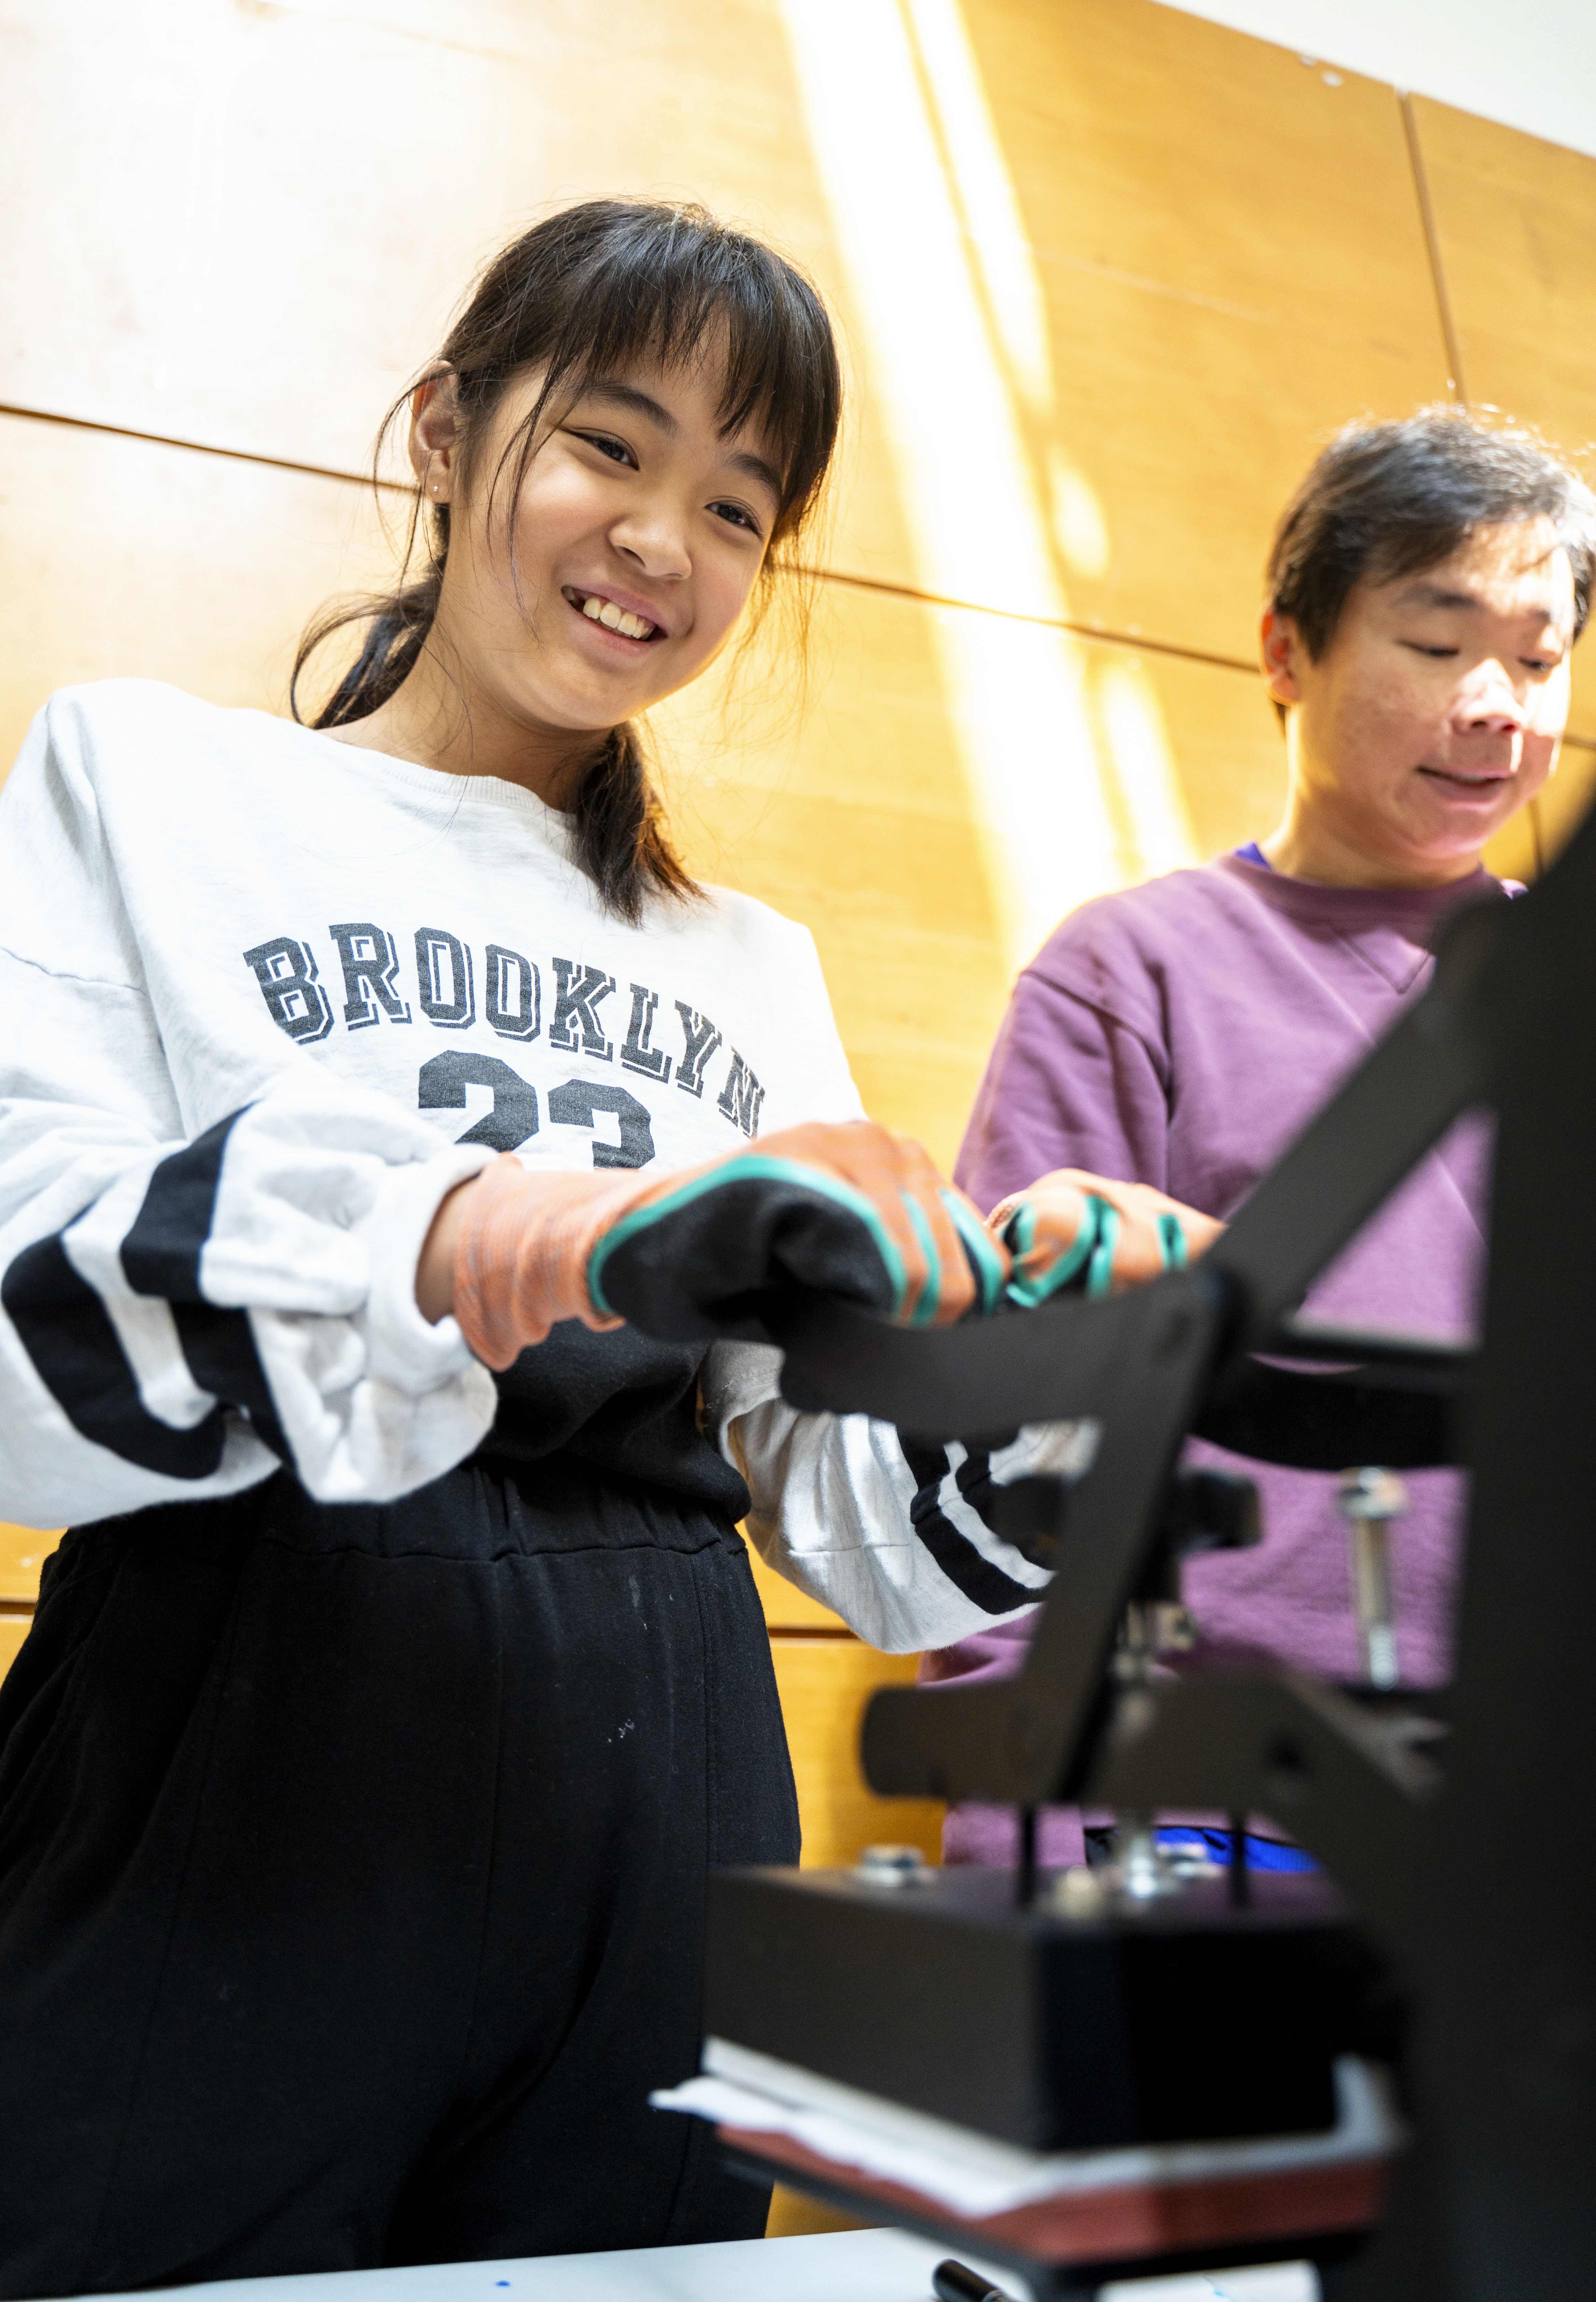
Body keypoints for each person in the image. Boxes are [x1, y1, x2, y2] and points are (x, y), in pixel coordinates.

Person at [0, 200, 1205, 2294]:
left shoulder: (748, 963)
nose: (664, 537)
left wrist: (1046, 1351)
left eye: (738, 505)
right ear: (449, 431)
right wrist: (516, 1237)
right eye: (613, 446)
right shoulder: (148, 779)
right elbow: (25, 1356)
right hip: (244, 1716)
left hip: (669, 1784)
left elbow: (842, 1514)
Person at [927, 409, 1596, 1871]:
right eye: (1436, 644)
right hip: (1221, 1800)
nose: (1497, 704)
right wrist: (1036, 1816)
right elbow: (1001, 1417)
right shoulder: (1129, 973)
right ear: (1286, 653)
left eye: (1539, 660)